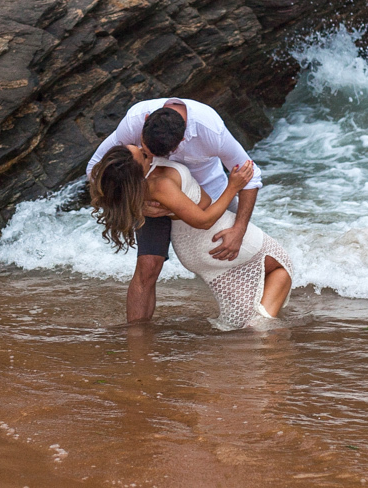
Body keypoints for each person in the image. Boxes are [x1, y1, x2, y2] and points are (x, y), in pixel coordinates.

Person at [86, 98, 263, 322]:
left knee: (236, 256)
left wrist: (239, 228)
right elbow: (96, 168)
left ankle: (252, 320)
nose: (145, 153)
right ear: (146, 121)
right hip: (153, 199)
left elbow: (250, 175)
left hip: (210, 198)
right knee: (147, 266)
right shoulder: (134, 119)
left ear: (180, 143)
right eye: (144, 150)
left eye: (150, 153)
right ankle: (137, 339)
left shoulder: (210, 129)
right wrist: (137, 202)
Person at [88, 143, 294, 330]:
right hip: (212, 235)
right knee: (282, 266)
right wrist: (233, 187)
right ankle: (258, 330)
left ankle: (248, 333)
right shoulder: (159, 185)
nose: (145, 149)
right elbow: (203, 220)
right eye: (142, 154)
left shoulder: (130, 184)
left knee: (242, 313)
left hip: (193, 246)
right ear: (139, 170)